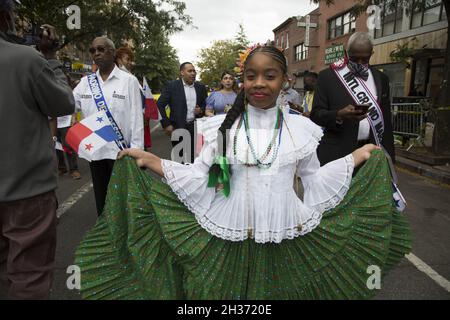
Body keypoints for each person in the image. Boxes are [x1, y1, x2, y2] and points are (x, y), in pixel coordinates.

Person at [74, 44, 411, 300]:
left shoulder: (299, 128)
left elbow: (314, 181)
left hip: (284, 234)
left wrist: (356, 157)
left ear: (284, 81)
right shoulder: (225, 129)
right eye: (251, 76)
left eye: (269, 75)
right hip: (227, 237)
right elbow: (203, 181)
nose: (259, 83)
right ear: (242, 81)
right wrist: (151, 161)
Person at [0, 0, 75, 299]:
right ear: (5, 17)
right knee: (28, 278)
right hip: (27, 194)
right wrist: (51, 57)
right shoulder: (26, 59)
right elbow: (63, 104)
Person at [73, 36, 144, 216]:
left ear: (112, 53)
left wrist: (137, 151)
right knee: (101, 199)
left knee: (122, 199)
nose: (96, 53)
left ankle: (124, 234)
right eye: (93, 50)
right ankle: (106, 234)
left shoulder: (129, 81)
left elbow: (136, 117)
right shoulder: (85, 83)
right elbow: (68, 104)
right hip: (95, 152)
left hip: (121, 153)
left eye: (101, 49)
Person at [310, 32, 395, 166]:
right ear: (346, 52)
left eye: (365, 59)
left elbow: (386, 121)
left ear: (371, 54)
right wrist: (338, 115)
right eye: (355, 58)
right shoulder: (327, 77)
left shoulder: (381, 79)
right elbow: (316, 114)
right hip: (337, 155)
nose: (360, 63)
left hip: (372, 155)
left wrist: (390, 157)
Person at [156, 62, 208, 163]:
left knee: (196, 159)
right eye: (190, 71)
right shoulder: (172, 86)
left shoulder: (200, 87)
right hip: (178, 128)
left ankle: (194, 178)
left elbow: (206, 105)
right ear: (182, 73)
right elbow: (159, 104)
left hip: (196, 128)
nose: (193, 73)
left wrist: (201, 110)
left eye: (194, 71)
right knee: (180, 160)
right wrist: (166, 124)